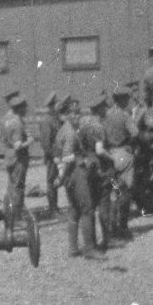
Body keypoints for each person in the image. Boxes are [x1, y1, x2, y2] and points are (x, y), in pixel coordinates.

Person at [55, 95, 105, 259]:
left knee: (74, 210)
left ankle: (73, 248)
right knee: (87, 208)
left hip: (69, 174)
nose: (76, 115)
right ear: (66, 114)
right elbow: (66, 157)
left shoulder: (63, 129)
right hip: (76, 173)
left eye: (78, 112)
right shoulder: (70, 133)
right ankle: (89, 248)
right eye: (73, 113)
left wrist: (61, 174)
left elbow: (56, 155)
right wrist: (82, 158)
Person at [103, 86, 138, 240]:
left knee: (113, 193)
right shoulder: (124, 115)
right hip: (123, 153)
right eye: (127, 98)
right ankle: (122, 227)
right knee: (125, 192)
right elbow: (135, 133)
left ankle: (111, 229)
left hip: (108, 154)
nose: (129, 101)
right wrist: (130, 144)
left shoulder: (106, 114)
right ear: (122, 99)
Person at [80, 93, 112, 253]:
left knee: (90, 206)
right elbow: (100, 150)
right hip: (100, 167)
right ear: (99, 109)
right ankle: (106, 240)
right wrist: (112, 158)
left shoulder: (83, 123)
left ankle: (91, 242)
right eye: (104, 107)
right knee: (104, 204)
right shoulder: (99, 126)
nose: (106, 109)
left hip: (87, 166)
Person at [2, 91, 32, 224]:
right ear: (19, 108)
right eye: (24, 106)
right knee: (18, 188)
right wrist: (29, 141)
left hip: (8, 156)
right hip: (18, 158)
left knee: (11, 187)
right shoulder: (17, 122)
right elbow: (18, 145)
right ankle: (17, 218)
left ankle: (9, 215)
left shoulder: (5, 119)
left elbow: (4, 139)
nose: (26, 109)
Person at [38, 91, 62, 215]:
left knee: (55, 181)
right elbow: (45, 143)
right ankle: (53, 209)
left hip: (57, 155)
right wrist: (53, 156)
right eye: (57, 103)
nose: (59, 105)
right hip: (52, 157)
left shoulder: (55, 118)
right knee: (51, 182)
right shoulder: (47, 121)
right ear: (52, 105)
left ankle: (55, 207)